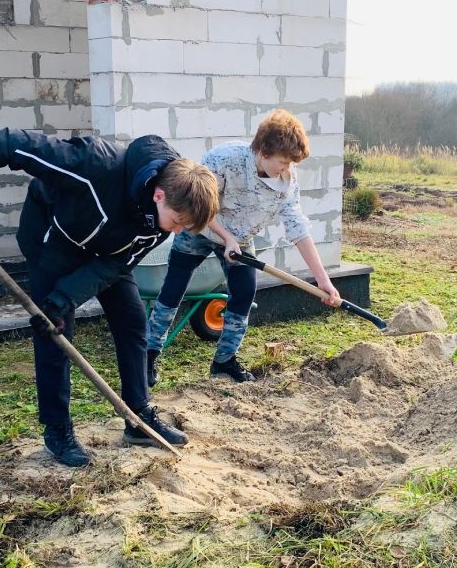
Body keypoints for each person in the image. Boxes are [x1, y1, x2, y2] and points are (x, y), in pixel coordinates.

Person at [0, 129, 218, 467]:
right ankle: (57, 429)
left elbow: (117, 265)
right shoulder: (92, 165)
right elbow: (10, 145)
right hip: (54, 241)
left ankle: (137, 416)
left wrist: (68, 295)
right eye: (177, 222)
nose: (176, 231)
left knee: (132, 322)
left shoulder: (159, 220)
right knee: (54, 330)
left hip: (108, 255)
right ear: (159, 194)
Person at [145, 110, 341, 385]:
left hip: (240, 239)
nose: (287, 168)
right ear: (263, 151)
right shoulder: (224, 160)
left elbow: (297, 227)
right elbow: (198, 204)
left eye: (291, 163)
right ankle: (149, 354)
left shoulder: (286, 182)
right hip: (199, 226)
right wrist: (226, 238)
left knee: (245, 292)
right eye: (283, 162)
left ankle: (224, 361)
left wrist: (323, 280)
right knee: (173, 288)